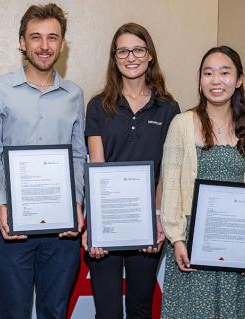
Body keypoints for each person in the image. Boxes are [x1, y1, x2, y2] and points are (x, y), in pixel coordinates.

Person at [0, 3, 86, 318]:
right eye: (36, 37)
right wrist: (1, 204)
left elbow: (79, 154)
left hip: (62, 228)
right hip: (12, 221)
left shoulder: (74, 94)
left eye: (52, 38)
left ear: (62, 44)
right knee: (13, 313)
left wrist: (78, 203)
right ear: (22, 42)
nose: (44, 46)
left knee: (53, 312)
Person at [159, 46, 245, 319]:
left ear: (239, 79)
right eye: (208, 73)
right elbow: (170, 184)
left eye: (224, 72)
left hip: (237, 243)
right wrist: (177, 239)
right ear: (200, 80)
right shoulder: (182, 123)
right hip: (193, 243)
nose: (216, 80)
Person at [82, 23, 179, 319]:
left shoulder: (168, 108)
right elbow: (96, 167)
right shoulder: (99, 106)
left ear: (150, 55)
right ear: (115, 57)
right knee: (107, 311)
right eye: (122, 50)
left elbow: (167, 171)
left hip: (146, 224)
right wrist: (94, 226)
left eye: (138, 49)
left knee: (139, 308)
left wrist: (159, 218)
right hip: (108, 225)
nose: (131, 57)